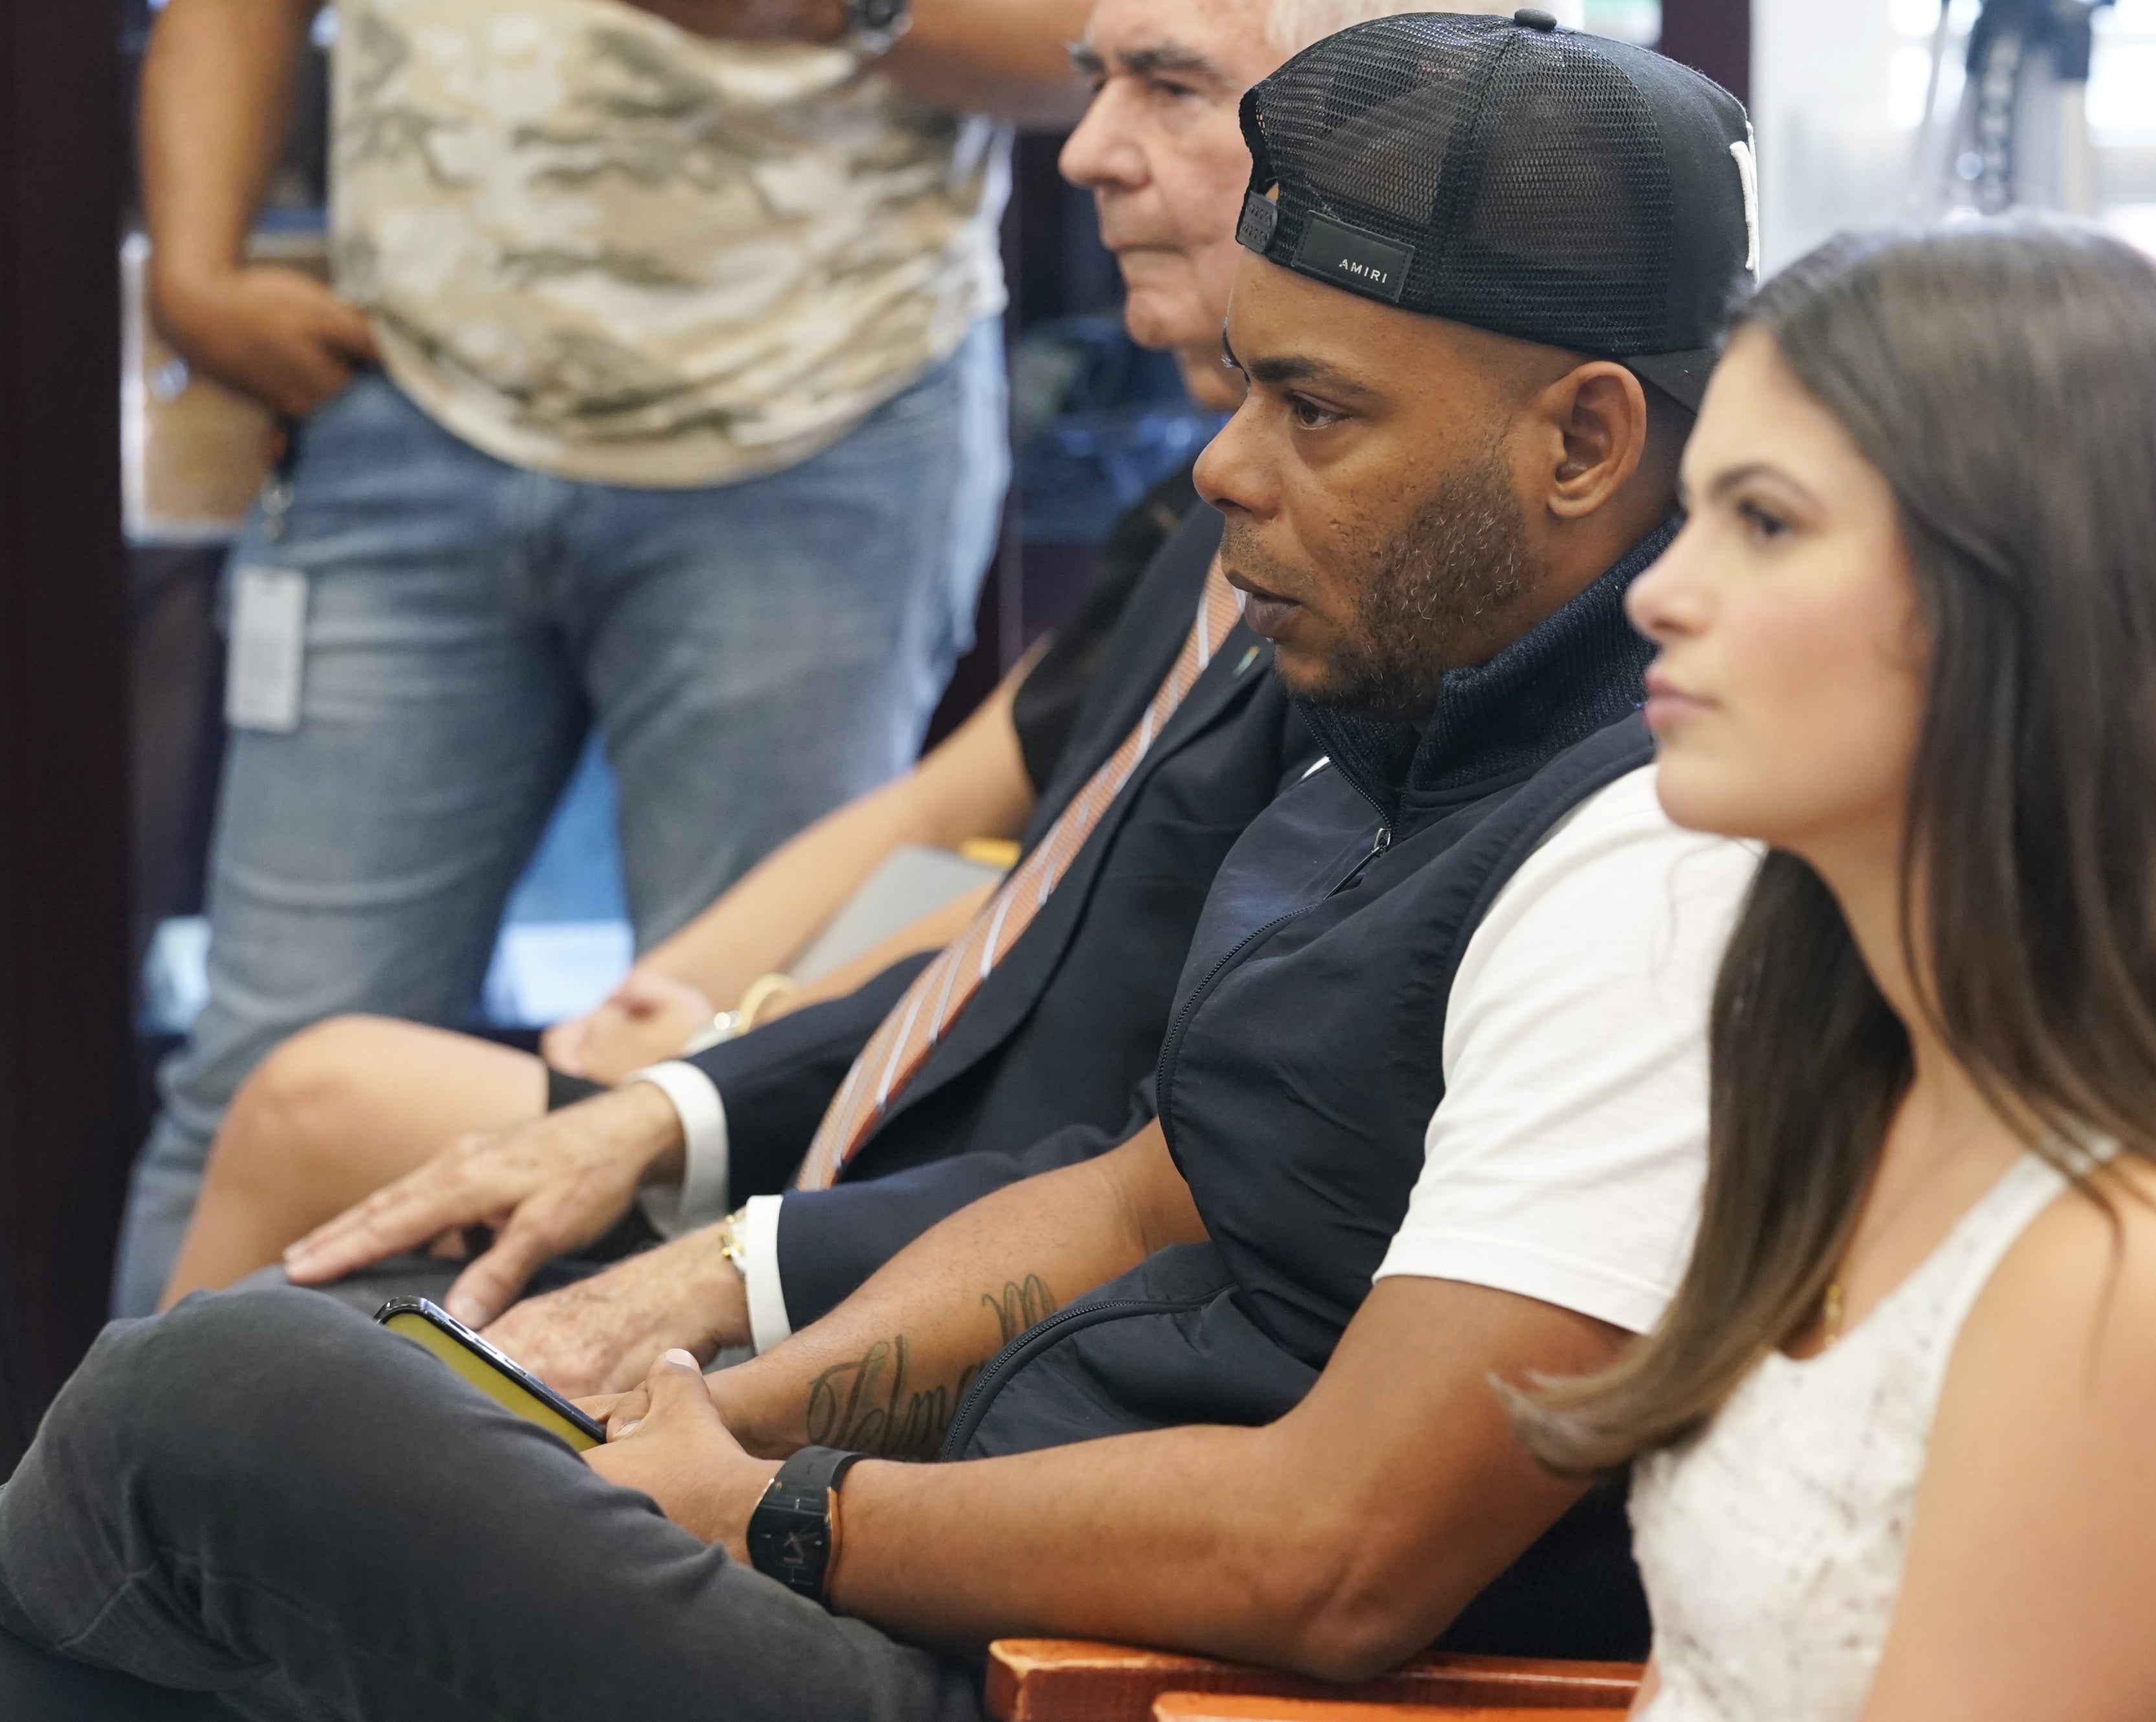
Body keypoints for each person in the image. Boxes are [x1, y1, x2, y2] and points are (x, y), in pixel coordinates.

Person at [0, 18, 1757, 1717]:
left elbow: (1342, 1551)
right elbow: (1129, 1195)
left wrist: (795, 1511)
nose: (1229, 464)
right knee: (9, 1683)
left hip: (1047, 1675)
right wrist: (703, 1419)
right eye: (1243, 385)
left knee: (218, 1393)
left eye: (1312, 407)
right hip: (943, 1569)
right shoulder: (1389, 714)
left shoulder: (1649, 864)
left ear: (1583, 442)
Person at [153, 0, 1507, 1404]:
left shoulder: (1389, 584)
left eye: (1167, 89)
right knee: (291, 1110)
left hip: (973, 1231)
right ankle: (31, 1561)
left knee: (314, 1268)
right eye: (1093, 83)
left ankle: (59, 1558)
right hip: (867, 1105)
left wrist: (727, 1176)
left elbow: (1158, 1154)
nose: (1078, 153)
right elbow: (1016, 865)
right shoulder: (1184, 518)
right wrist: (691, 1026)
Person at [1500, 221, 2156, 1719]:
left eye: (1763, 522)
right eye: (1694, 508)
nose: (1658, 588)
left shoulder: (2141, 1270)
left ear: (2025, 594)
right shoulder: (1848, 1071)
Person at [109, 0, 1097, 1318]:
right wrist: (192, 271)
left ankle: (648, 1520)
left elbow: (1102, 44)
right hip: (403, 396)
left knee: (741, 1091)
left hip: (818, 423)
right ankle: (82, 1526)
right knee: (261, 1078)